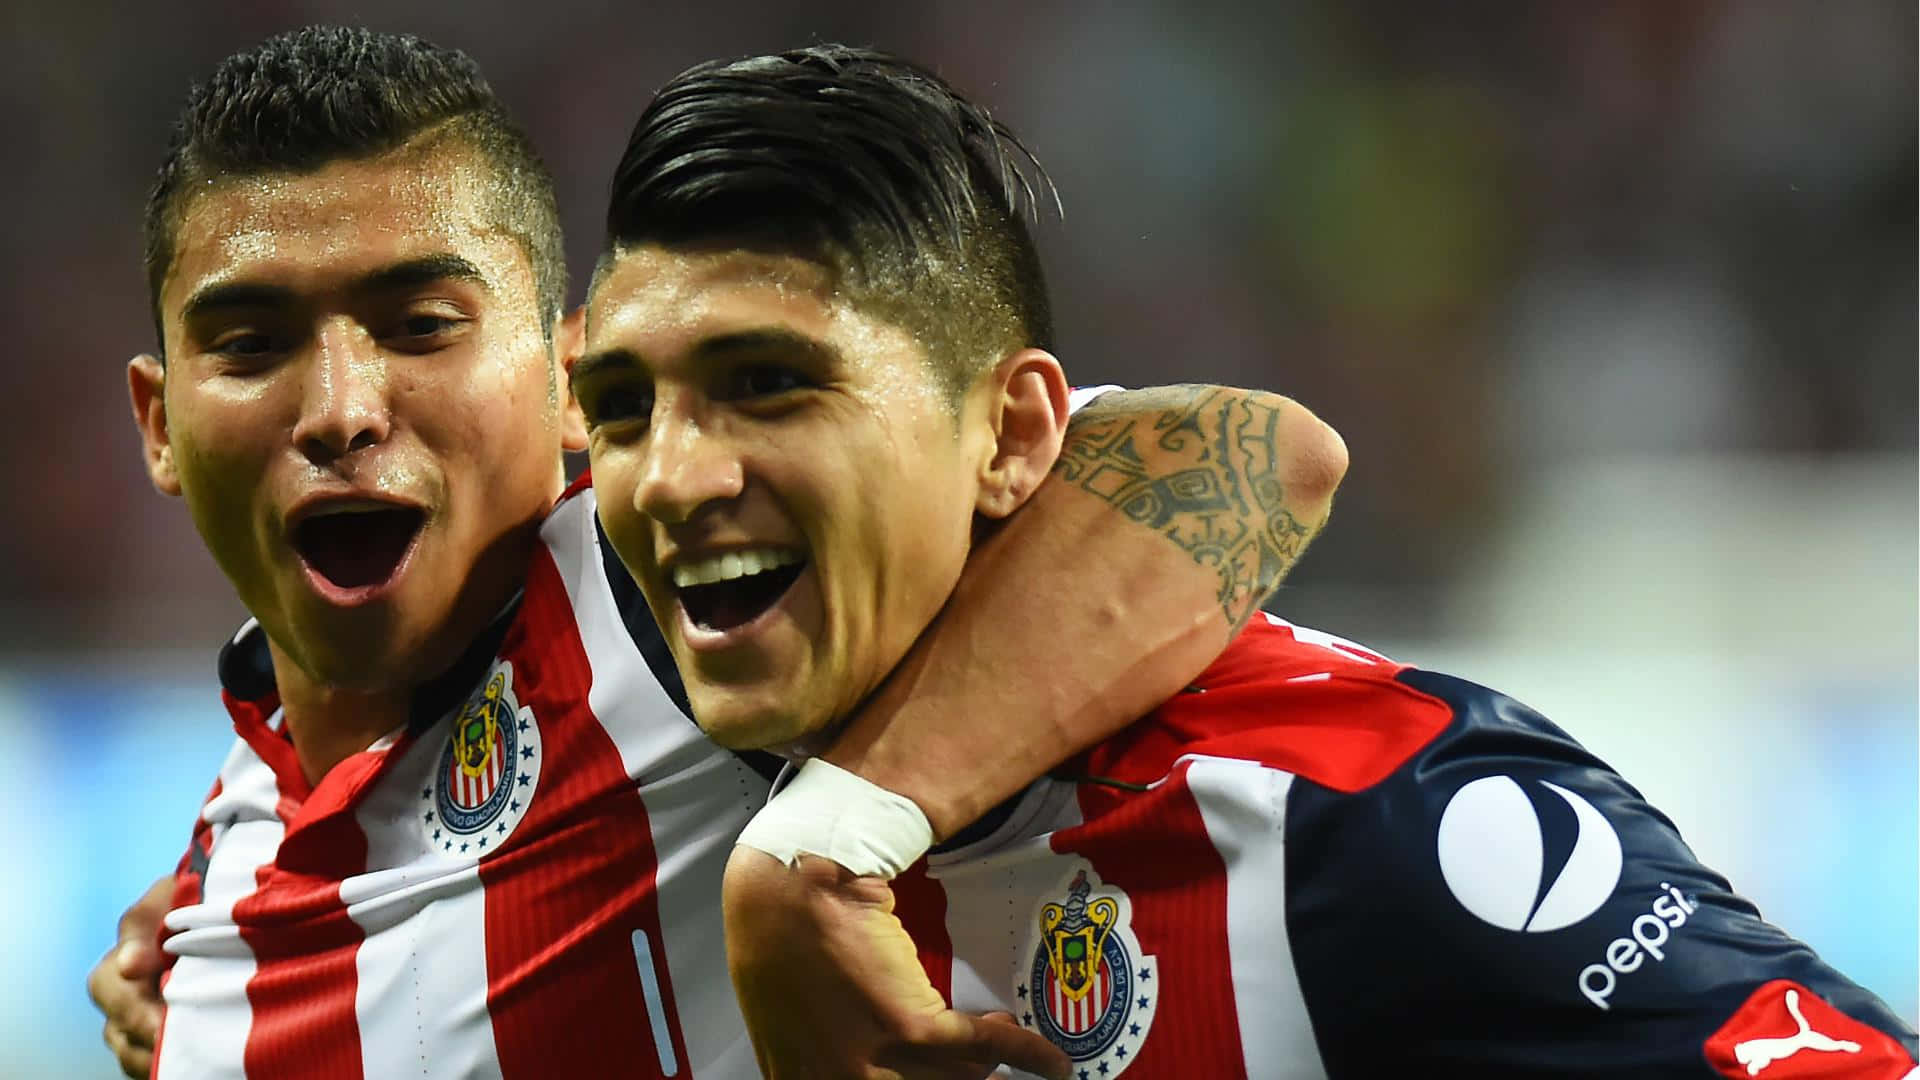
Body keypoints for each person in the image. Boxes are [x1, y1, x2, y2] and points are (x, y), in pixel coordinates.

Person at [578, 46, 1920, 1078]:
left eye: (770, 387)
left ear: (1014, 435)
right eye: (624, 408)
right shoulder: (583, 710)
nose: (677, 476)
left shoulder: (1363, 816)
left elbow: (1265, 447)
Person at [90, 26, 1347, 1080]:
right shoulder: (220, 876)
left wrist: (831, 837)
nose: (340, 410)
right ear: (158, 420)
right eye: (250, 346)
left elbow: (1249, 454)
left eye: (421, 326)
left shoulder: (673, 602)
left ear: (570, 378)